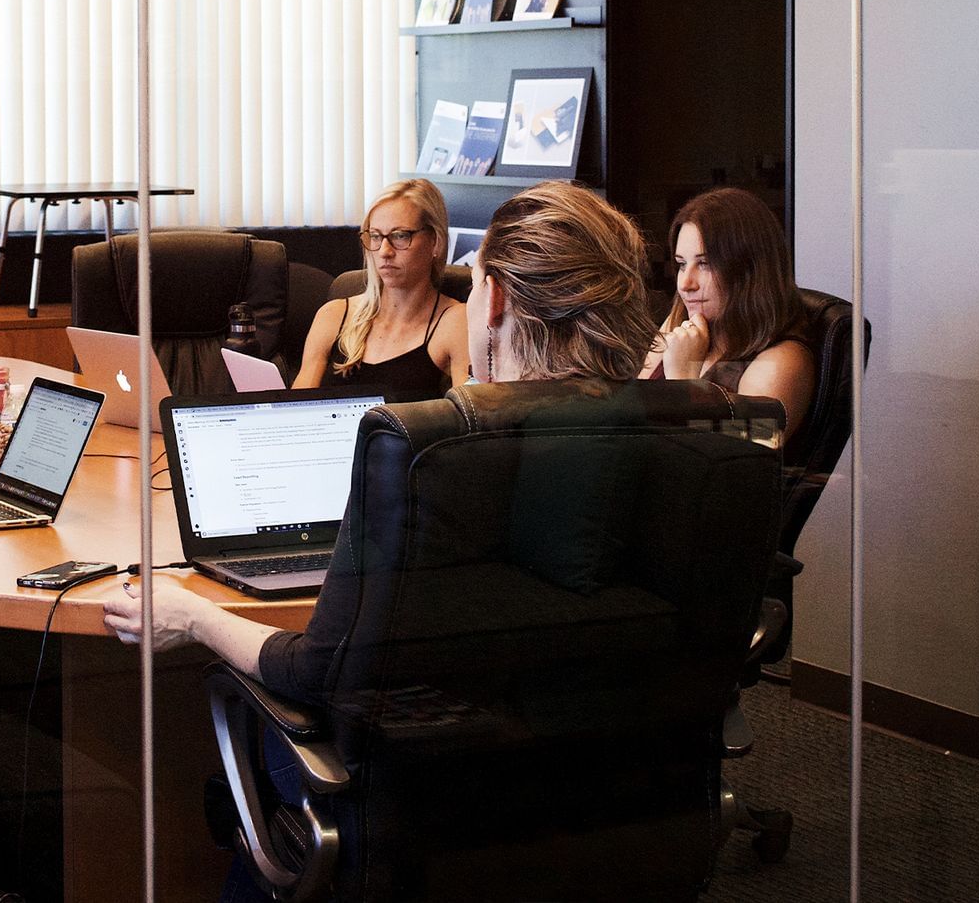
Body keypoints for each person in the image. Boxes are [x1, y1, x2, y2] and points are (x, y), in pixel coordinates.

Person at [102, 180, 651, 699]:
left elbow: (315, 668)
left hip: (425, 763)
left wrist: (193, 616)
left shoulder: (430, 463)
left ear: (498, 299)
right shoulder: (686, 435)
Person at [643, 187, 815, 438]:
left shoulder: (783, 360)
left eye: (705, 264)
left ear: (748, 269)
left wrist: (683, 382)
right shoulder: (679, 323)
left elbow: (735, 462)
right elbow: (631, 420)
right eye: (681, 265)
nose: (685, 284)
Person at [292, 179, 469, 397]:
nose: (384, 251)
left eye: (400, 236)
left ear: (435, 242)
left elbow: (471, 420)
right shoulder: (334, 315)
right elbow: (295, 411)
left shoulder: (455, 321)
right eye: (375, 236)